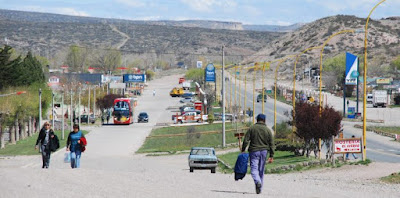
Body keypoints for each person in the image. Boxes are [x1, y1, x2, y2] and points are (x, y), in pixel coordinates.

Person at [241, 114, 274, 194]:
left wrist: (243, 149)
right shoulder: (267, 130)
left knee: (254, 169)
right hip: (264, 152)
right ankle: (260, 187)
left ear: (257, 120)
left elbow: (246, 140)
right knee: (261, 170)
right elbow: (271, 143)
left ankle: (257, 182)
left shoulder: (252, 128)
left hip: (254, 151)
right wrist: (271, 155)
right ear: (264, 120)